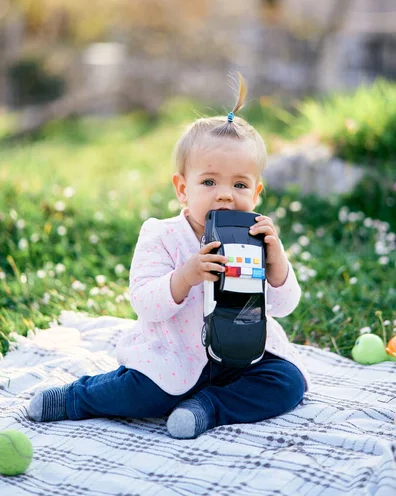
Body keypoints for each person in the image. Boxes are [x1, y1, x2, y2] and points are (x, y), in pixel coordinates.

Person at [28, 73, 310, 439]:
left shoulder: (256, 238)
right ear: (182, 190)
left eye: (239, 185)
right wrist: (186, 276)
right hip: (173, 358)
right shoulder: (160, 234)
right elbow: (145, 302)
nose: (225, 195)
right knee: (141, 395)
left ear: (256, 192)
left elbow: (284, 305)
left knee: (288, 382)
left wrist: (277, 263)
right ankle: (78, 398)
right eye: (209, 182)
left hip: (244, 355)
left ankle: (209, 407)